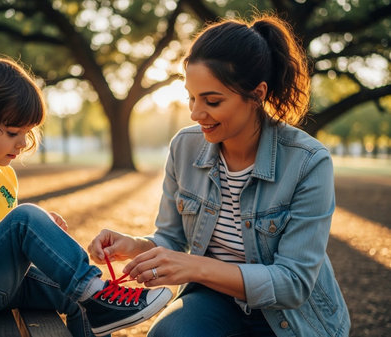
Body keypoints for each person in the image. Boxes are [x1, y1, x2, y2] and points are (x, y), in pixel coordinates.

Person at [89, 14, 351, 337]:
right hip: (214, 300)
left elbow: (293, 283)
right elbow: (170, 240)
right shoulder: (185, 148)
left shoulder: (309, 162)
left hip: (290, 317)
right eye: (191, 97)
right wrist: (133, 245)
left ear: (257, 94)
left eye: (212, 101)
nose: (196, 114)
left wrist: (198, 267)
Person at [0, 56, 172, 337]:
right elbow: (13, 226)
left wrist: (38, 230)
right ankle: (95, 290)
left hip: (4, 283)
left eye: (27, 132)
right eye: (13, 132)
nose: (23, 143)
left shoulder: (4, 174)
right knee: (26, 217)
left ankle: (97, 301)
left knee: (78, 298)